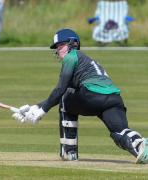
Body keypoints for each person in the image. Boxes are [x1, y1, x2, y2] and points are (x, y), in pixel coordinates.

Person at [12, 28, 148, 164]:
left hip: (92, 96)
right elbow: (63, 91)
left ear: (73, 43)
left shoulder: (72, 56)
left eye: (60, 46)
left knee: (65, 100)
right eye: (57, 48)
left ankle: (69, 151)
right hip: (113, 99)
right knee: (120, 133)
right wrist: (33, 108)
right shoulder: (86, 61)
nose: (58, 51)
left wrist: (41, 112)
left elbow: (60, 90)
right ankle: (140, 145)